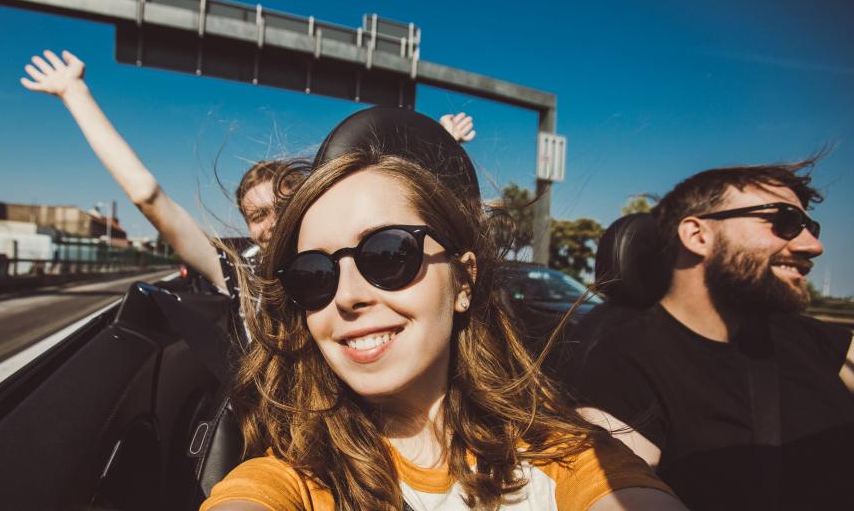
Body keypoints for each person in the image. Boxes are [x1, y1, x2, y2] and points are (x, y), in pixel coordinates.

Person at [199, 108, 684, 511]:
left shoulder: (573, 457)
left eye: (388, 256)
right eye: (314, 276)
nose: (347, 295)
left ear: (464, 280)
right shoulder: (289, 481)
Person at [21, 50, 478, 296]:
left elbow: (399, 205)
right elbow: (147, 195)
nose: (272, 221)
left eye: (284, 205)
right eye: (256, 214)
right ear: (244, 225)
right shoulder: (239, 274)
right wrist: (74, 93)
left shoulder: (354, 260)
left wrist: (437, 144)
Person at [575, 160, 854, 510]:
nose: (814, 246)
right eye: (785, 222)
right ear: (697, 235)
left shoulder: (812, 337)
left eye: (811, 226)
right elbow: (614, 487)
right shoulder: (623, 362)